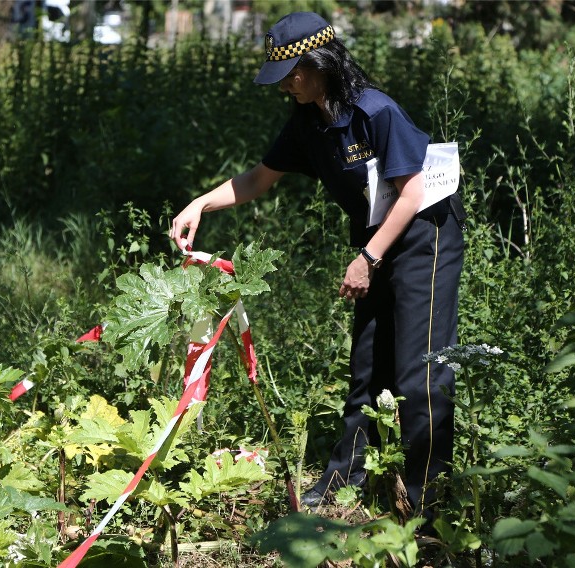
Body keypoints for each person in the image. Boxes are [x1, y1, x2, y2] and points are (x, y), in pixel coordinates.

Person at [169, 12, 466, 523]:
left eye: (291, 74)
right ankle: (345, 481)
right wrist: (199, 204)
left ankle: (428, 501)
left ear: (319, 64)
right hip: (376, 237)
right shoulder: (308, 119)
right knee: (368, 363)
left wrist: (368, 258)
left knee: (421, 371)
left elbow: (413, 192)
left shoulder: (375, 111)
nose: (285, 85)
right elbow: (260, 178)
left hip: (424, 234)